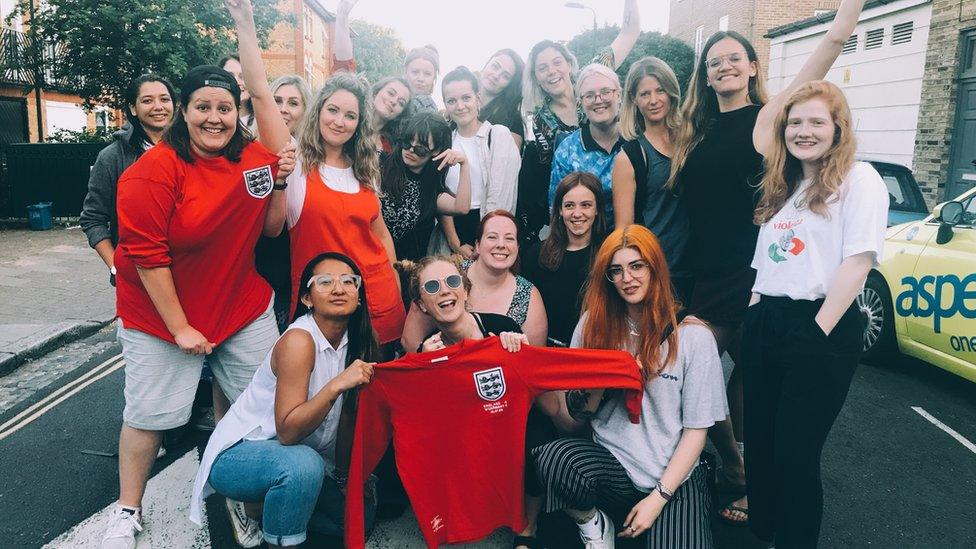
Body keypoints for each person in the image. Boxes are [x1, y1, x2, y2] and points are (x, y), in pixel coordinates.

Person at [666, 0, 869, 525]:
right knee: (696, 375)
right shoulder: (696, 129)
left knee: (748, 396)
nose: (724, 66)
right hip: (705, 275)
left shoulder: (770, 119)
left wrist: (847, 15)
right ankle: (737, 475)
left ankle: (758, 489)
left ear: (754, 67)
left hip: (757, 274)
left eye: (735, 57)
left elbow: (826, 51)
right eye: (714, 61)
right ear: (704, 76)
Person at [101, 0, 294, 546]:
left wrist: (280, 182)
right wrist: (182, 327)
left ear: (238, 113)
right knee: (149, 414)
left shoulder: (255, 160)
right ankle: (127, 509)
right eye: (202, 107)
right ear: (182, 112)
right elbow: (145, 256)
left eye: (225, 108)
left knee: (259, 407)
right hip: (160, 316)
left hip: (239, 305)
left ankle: (240, 494)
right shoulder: (151, 172)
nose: (215, 117)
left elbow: (274, 230)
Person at [743, 81, 887, 548]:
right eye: (795, 122)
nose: (803, 131)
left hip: (820, 326)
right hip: (767, 321)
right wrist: (753, 317)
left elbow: (858, 261)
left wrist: (817, 330)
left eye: (816, 122)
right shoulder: (784, 186)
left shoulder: (859, 180)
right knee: (760, 446)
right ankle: (764, 532)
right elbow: (766, 265)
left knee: (795, 453)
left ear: (838, 128)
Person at [533, 224, 727, 548]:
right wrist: (604, 379)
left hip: (671, 474)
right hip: (612, 462)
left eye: (637, 266)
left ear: (655, 268)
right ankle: (596, 526)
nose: (628, 278)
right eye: (616, 270)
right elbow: (577, 412)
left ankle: (666, 513)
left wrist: (658, 499)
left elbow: (697, 430)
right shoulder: (594, 325)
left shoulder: (693, 337)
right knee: (551, 460)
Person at [190, 252, 383, 548]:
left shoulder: (356, 341)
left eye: (348, 281)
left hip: (300, 459)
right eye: (325, 282)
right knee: (304, 466)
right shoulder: (299, 341)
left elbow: (348, 417)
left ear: (359, 295)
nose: (339, 288)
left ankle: (267, 507)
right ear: (307, 298)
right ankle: (276, 535)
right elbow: (288, 431)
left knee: (359, 518)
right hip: (242, 454)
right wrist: (335, 386)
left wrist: (345, 479)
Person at [266, 71, 406, 349]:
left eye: (350, 116)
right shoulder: (296, 162)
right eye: (332, 110)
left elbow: (381, 234)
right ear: (317, 111)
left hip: (378, 299)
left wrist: (396, 283)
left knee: (375, 385)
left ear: (359, 124)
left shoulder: (365, 168)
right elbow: (260, 95)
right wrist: (245, 27)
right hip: (323, 304)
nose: (339, 122)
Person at [519, 0, 639, 242]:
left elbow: (630, 32)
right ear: (536, 77)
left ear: (568, 63)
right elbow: (556, 182)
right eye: (542, 68)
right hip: (585, 215)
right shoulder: (542, 121)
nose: (551, 71)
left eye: (556, 62)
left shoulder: (593, 77)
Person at [402, 210, 547, 351]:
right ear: (477, 245)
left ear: (517, 247)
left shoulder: (528, 295)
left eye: (509, 238)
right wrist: (428, 361)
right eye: (492, 237)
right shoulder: (448, 276)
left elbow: (533, 359)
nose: (501, 244)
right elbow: (410, 342)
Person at [80, 73, 176, 286]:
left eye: (164, 99)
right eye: (147, 101)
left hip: (190, 272)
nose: (158, 106)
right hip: (138, 276)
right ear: (133, 108)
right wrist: (116, 265)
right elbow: (93, 218)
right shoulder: (112, 157)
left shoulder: (191, 150)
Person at [612, 57, 691, 302]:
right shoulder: (631, 156)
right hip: (659, 270)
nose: (654, 100)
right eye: (645, 94)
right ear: (634, 100)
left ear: (671, 92)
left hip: (701, 268)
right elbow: (624, 231)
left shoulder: (692, 140)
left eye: (660, 91)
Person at [433, 66, 521, 256]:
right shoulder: (444, 141)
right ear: (446, 106)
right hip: (452, 233)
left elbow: (502, 197)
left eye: (466, 98)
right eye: (452, 100)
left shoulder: (497, 135)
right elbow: (439, 193)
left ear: (478, 99)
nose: (460, 106)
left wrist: (486, 242)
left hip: (490, 228)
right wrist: (455, 243)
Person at [522, 172, 607, 348]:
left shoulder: (609, 254)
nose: (577, 213)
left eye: (586, 205)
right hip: (547, 353)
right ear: (560, 210)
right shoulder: (536, 255)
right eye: (569, 205)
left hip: (595, 352)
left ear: (597, 209)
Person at [257, 74, 313, 332]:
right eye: (277, 100)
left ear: (305, 111)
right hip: (256, 252)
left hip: (294, 250)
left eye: (293, 103)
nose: (283, 108)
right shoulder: (250, 147)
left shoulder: (312, 155)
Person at [380, 111, 471, 261]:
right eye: (407, 142)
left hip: (402, 265)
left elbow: (461, 207)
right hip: (366, 254)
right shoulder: (380, 164)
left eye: (420, 148)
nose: (410, 150)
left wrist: (464, 164)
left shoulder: (430, 190)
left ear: (435, 151)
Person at [548, 63, 625, 217]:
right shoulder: (567, 151)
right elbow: (556, 210)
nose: (598, 100)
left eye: (606, 92)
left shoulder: (637, 140)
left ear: (619, 95)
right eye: (589, 95)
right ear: (580, 103)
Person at [479, 48, 526, 148]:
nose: (496, 76)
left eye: (505, 76)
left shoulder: (513, 121)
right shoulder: (461, 102)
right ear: (487, 63)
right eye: (495, 66)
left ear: (510, 85)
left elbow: (508, 163)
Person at [370, 76, 413, 153]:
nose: (394, 101)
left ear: (400, 114)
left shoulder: (390, 147)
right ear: (376, 92)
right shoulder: (351, 124)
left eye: (401, 103)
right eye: (390, 93)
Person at [404, 45, 440, 113]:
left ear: (434, 77)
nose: (420, 79)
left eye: (427, 74)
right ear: (405, 72)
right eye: (415, 72)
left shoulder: (426, 106)